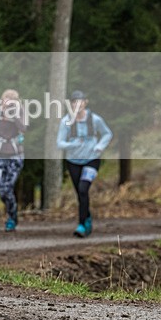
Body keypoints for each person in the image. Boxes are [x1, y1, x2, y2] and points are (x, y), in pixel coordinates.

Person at [56, 90, 113, 238]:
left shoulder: (95, 119)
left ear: (85, 103)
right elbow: (60, 143)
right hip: (73, 161)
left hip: (91, 160)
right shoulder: (66, 121)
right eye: (74, 102)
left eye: (80, 102)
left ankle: (81, 224)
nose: (77, 105)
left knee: (83, 189)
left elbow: (107, 133)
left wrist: (100, 146)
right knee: (80, 193)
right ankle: (87, 218)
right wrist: (72, 145)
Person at [0, 89, 27, 232]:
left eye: (11, 99)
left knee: (8, 188)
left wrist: (13, 114)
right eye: (5, 98)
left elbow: (24, 128)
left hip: (15, 156)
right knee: (2, 190)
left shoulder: (20, 111)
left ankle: (11, 218)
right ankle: (13, 213)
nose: (7, 101)